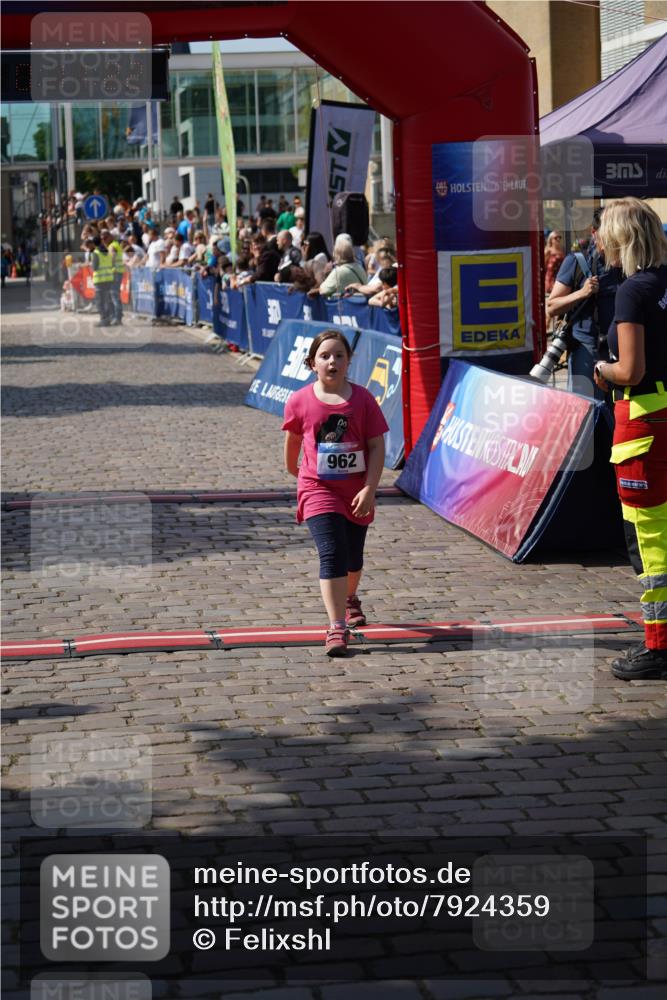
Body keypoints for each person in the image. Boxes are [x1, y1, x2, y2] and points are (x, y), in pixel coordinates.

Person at [592, 199, 667, 681]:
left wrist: (602, 371)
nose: (599, 241)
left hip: (640, 420)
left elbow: (629, 370)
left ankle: (658, 645)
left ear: (621, 238)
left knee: (649, 540)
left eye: (603, 232)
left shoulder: (632, 292)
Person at [282, 330, 389, 657]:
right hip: (317, 488)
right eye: (325, 356)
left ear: (349, 361)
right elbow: (294, 443)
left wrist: (370, 488)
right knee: (332, 553)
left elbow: (376, 446)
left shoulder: (363, 399)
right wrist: (299, 475)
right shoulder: (299, 400)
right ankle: (336, 626)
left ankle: (349, 597)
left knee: (353, 559)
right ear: (313, 362)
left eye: (339, 355)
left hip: (356, 491)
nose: (332, 361)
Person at [547, 210, 623, 398]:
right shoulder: (576, 262)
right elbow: (552, 307)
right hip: (587, 351)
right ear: (594, 232)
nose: (612, 239)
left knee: (619, 414)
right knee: (588, 413)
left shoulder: (629, 262)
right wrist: (581, 293)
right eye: (607, 233)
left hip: (622, 351)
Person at [90, 235, 114, 326]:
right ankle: (108, 318)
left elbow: (95, 267)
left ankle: (103, 319)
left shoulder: (96, 252)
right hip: (108, 278)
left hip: (99, 279)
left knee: (100, 301)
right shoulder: (107, 251)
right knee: (107, 300)